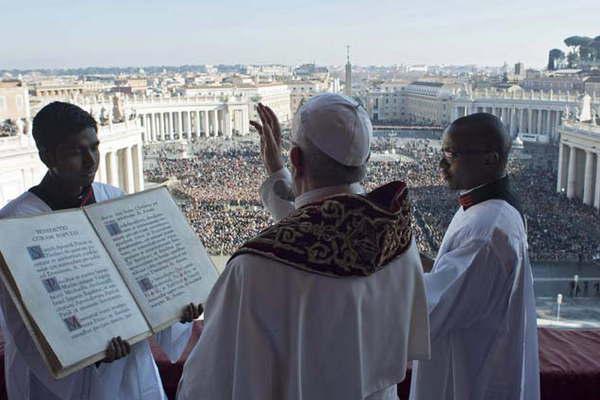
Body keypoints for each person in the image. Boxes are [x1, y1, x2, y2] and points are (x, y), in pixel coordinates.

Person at [177, 94, 430, 400]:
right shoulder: (397, 237)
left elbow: (208, 382)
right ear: (364, 161)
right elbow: (327, 233)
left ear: (296, 158)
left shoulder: (254, 268)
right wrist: (277, 172)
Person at [0, 102, 202, 400]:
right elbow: (23, 324)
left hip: (129, 361)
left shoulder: (113, 199)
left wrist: (175, 312)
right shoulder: (15, 224)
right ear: (47, 157)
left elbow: (142, 277)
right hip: (62, 384)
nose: (90, 160)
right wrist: (89, 354)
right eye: (75, 152)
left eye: (94, 147)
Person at [410, 113, 540, 400]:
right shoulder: (487, 208)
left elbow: (427, 313)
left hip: (469, 384)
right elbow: (451, 273)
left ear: (490, 159)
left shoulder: (486, 232)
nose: (442, 163)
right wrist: (403, 249)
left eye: (451, 153)